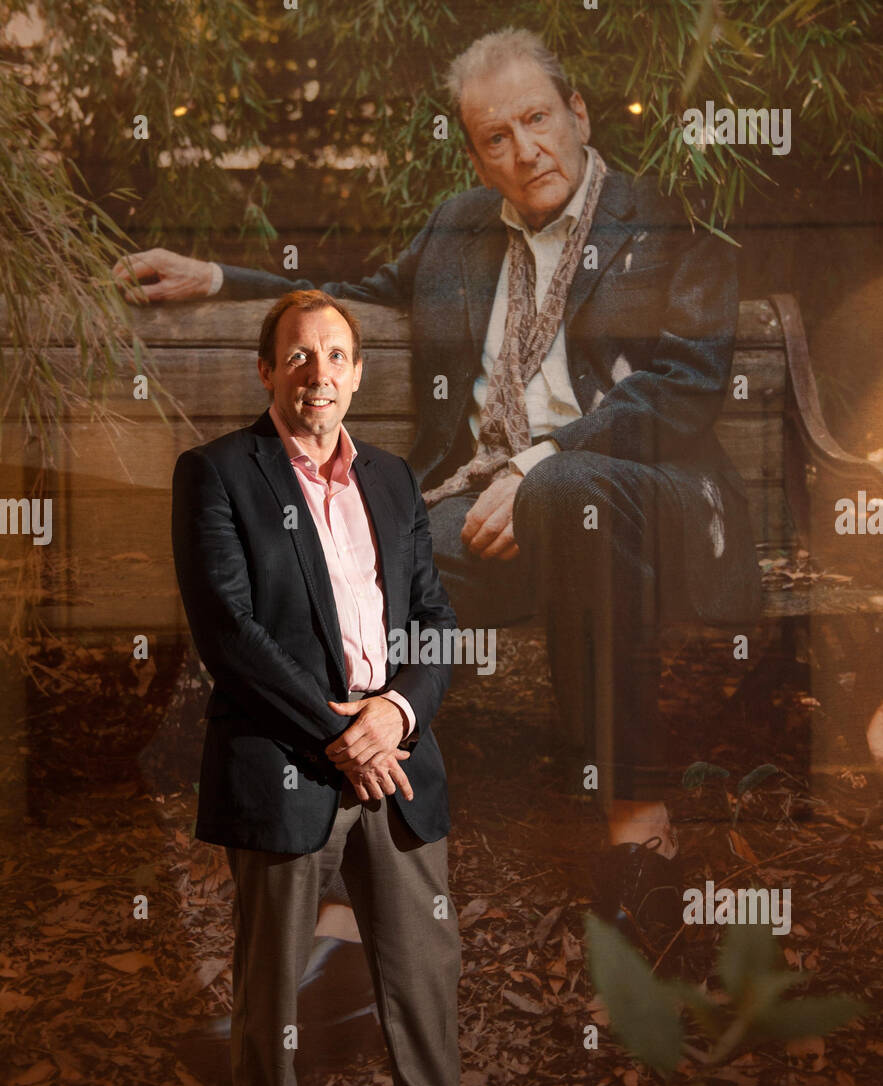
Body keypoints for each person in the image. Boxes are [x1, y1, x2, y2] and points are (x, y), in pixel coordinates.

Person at [125, 27, 764, 937]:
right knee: (346, 583)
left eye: (537, 119)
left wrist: (539, 463)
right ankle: (342, 897)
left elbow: (687, 383)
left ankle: (640, 831)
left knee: (563, 493)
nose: (524, 149)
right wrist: (220, 277)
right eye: (494, 137)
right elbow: (362, 293)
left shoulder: (667, 218)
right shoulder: (461, 226)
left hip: (642, 506)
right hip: (487, 513)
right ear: (473, 152)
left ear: (576, 114)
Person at [171, 288, 581, 1086]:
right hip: (284, 767)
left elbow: (433, 619)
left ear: (359, 372)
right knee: (274, 994)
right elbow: (231, 636)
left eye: (338, 356)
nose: (320, 374)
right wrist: (335, 734)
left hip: (394, 760)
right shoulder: (218, 474)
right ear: (267, 371)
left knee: (423, 978)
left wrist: (392, 717)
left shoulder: (394, 482)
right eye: (299, 356)